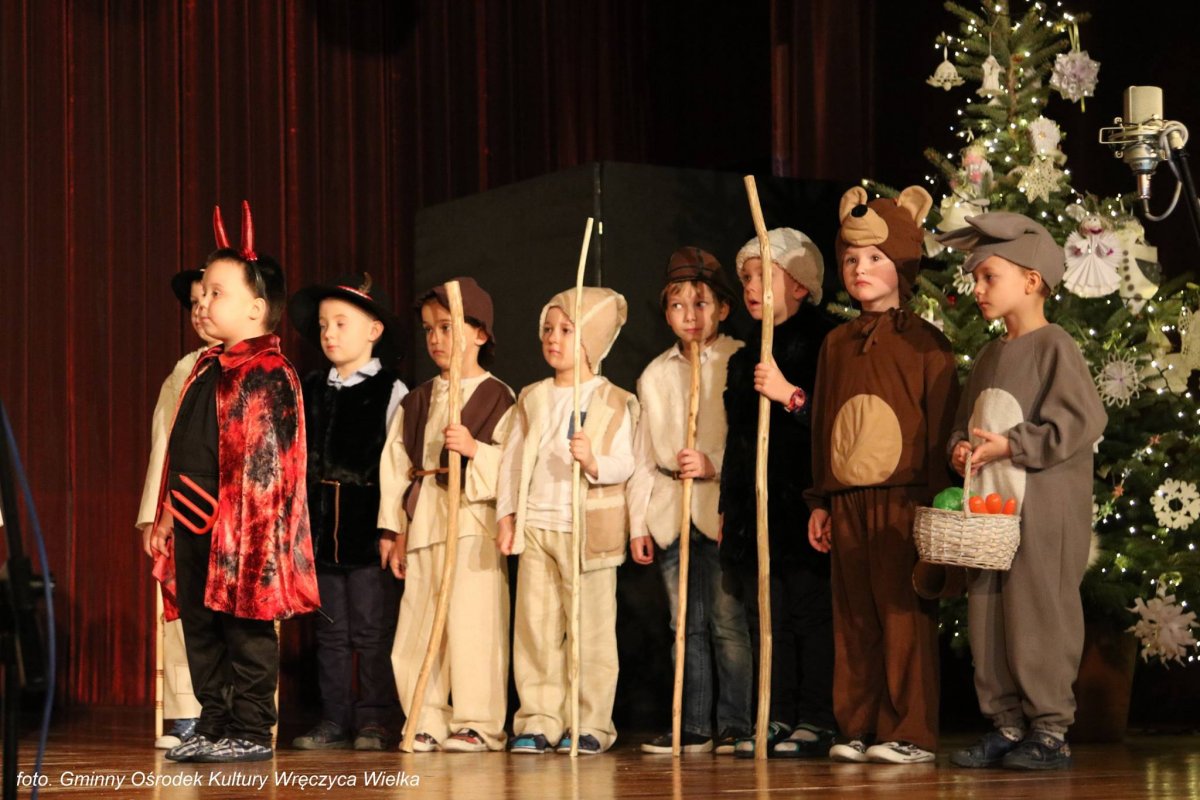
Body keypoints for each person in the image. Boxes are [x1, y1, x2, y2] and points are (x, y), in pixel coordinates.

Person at [150, 202, 320, 763]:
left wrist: (251, 534)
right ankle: (214, 722)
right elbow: (182, 445)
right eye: (202, 293)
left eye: (216, 292)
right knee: (200, 628)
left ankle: (249, 729)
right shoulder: (205, 367)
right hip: (194, 517)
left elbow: (272, 468)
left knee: (244, 628)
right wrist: (168, 512)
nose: (203, 302)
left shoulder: (269, 372)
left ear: (256, 308)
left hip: (244, 528)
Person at [937, 212, 1106, 771]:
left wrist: (1012, 445)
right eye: (975, 279)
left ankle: (1050, 729)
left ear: (1031, 279)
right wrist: (961, 448)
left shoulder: (1055, 346)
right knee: (987, 613)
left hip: (1043, 512)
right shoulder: (989, 357)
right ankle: (1006, 723)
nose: (978, 289)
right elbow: (966, 422)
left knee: (1039, 611)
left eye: (989, 277)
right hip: (993, 511)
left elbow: (1079, 422)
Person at [805, 186, 959, 764]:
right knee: (854, 617)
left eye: (874, 257)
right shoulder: (836, 344)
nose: (860, 268)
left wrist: (936, 504)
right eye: (851, 259)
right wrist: (820, 500)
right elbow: (825, 423)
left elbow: (941, 424)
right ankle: (858, 724)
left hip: (903, 499)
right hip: (848, 499)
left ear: (902, 263)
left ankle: (910, 731)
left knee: (902, 617)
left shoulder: (926, 342)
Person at [497, 287, 637, 756]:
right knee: (536, 629)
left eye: (566, 330)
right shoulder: (532, 397)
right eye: (548, 329)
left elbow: (626, 463)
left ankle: (590, 721)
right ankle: (539, 718)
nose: (552, 338)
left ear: (592, 340)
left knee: (590, 632)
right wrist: (508, 515)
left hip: (587, 533)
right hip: (537, 526)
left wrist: (593, 461)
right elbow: (513, 461)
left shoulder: (614, 400)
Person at [379, 277, 515, 753]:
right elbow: (396, 466)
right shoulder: (417, 400)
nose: (435, 338)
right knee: (419, 625)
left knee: (474, 623)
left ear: (480, 333)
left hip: (473, 525)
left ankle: (478, 721)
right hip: (426, 523)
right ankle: (425, 715)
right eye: (428, 329)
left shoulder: (498, 396)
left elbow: (514, 465)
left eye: (446, 327)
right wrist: (395, 529)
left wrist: (475, 450)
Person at [628, 247, 752, 755]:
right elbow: (642, 455)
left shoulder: (739, 359)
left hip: (720, 508)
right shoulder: (654, 374)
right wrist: (638, 522)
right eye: (678, 306)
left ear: (723, 307)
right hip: (669, 511)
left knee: (727, 621)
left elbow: (751, 439)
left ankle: (736, 723)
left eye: (700, 304)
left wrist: (712, 462)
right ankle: (692, 724)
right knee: (684, 625)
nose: (690, 316)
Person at [720, 228, 839, 758]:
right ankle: (777, 713)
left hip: (803, 504)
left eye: (761, 275)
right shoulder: (746, 358)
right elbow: (739, 442)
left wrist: (789, 395)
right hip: (757, 507)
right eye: (745, 277)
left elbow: (835, 423)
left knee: (809, 613)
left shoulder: (826, 343)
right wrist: (730, 507)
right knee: (767, 617)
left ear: (799, 284)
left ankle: (816, 717)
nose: (750, 286)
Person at [287, 272, 408, 751]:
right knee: (331, 631)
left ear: (373, 330)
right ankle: (334, 717)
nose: (329, 334)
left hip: (366, 531)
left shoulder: (391, 390)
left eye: (341, 323)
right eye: (323, 326)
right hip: (321, 531)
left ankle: (375, 717)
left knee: (372, 629)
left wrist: (393, 529)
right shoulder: (312, 387)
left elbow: (399, 465)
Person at [136, 268, 219, 749]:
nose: (201, 309)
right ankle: (187, 711)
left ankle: (231, 711)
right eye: (194, 302)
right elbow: (163, 446)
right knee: (182, 607)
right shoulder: (185, 369)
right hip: (184, 505)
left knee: (229, 612)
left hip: (230, 508)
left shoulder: (254, 367)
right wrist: (157, 513)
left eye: (211, 297)